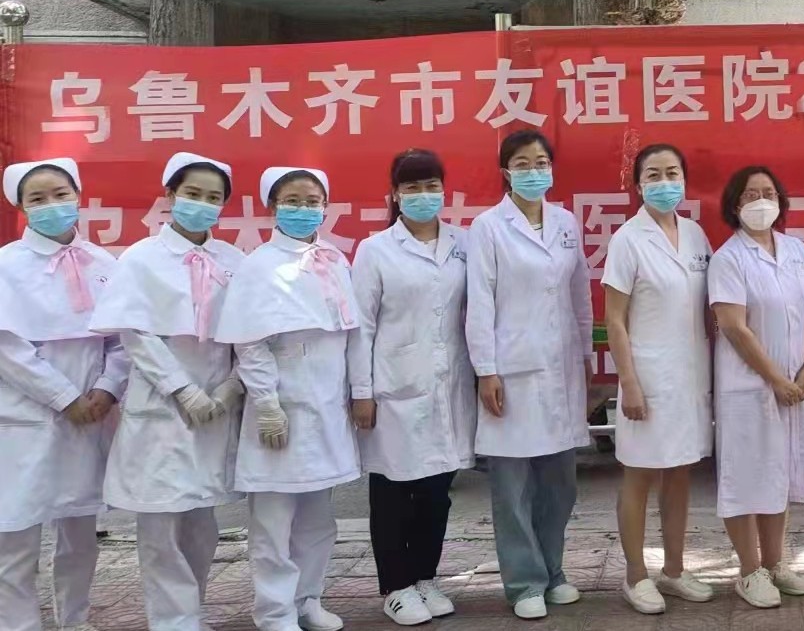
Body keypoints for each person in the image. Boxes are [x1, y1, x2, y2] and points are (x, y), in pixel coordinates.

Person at [88, 152, 249, 631]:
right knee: (160, 523)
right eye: (192, 193)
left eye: (213, 197)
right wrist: (181, 388)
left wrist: (232, 387)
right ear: (171, 196)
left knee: (201, 521)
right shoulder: (141, 258)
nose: (202, 204)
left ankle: (190, 609)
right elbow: (136, 334)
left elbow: (251, 331)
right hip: (161, 405)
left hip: (216, 405)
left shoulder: (233, 260)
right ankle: (172, 621)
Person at [214, 167, 361, 631]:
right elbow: (249, 341)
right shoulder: (258, 265)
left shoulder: (334, 259)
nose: (304, 209)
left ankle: (308, 599)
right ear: (272, 207)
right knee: (274, 521)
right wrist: (267, 404)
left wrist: (354, 393)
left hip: (327, 403)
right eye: (292, 201)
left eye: (313, 201)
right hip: (283, 403)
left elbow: (348, 332)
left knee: (318, 517)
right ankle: (275, 611)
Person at [466, 129, 593, 621]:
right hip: (511, 368)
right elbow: (480, 301)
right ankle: (524, 583)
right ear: (506, 171)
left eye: (541, 162)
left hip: (561, 367)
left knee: (560, 483)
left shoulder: (565, 222)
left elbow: (579, 293)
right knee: (513, 486)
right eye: (522, 163)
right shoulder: (488, 227)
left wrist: (585, 355)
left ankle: (553, 572)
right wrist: (486, 370)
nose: (534, 171)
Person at [348, 149, 476, 626]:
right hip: (393, 388)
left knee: (437, 490)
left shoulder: (463, 244)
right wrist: (362, 391)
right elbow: (361, 326)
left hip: (449, 386)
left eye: (431, 186)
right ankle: (396, 586)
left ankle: (425, 576)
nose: (424, 196)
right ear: (395, 194)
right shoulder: (376, 250)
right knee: (394, 490)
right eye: (412, 188)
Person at [0, 158, 128, 631]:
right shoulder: (6, 266)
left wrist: (107, 389)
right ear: (20, 207)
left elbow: (122, 340)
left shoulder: (104, 263)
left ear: (78, 196)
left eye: (60, 194)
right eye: (37, 198)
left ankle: (75, 619)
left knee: (80, 531)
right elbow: (7, 348)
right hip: (26, 417)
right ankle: (19, 624)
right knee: (16, 533)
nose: (51, 205)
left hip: (91, 416)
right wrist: (63, 397)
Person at [603, 144, 716, 615]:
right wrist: (629, 382)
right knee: (640, 474)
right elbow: (614, 319)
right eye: (653, 174)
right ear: (638, 185)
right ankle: (635, 575)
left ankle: (674, 569)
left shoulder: (695, 235)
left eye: (672, 173)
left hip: (689, 376)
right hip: (647, 378)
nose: (664, 182)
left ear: (684, 180)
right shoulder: (627, 240)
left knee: (680, 472)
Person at [708, 165, 804, 610]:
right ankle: (749, 571)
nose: (761, 201)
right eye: (751, 194)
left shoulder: (796, 250)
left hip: (795, 385)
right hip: (750, 389)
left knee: (778, 472)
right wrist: (775, 378)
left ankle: (775, 564)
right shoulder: (728, 258)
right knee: (745, 476)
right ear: (735, 204)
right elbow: (733, 327)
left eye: (769, 193)